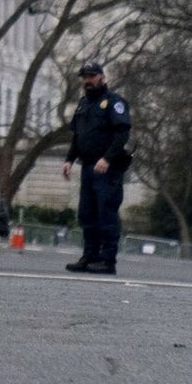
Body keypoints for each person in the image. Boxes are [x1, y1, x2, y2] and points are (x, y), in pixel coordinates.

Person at [62, 60, 132, 275]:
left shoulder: (113, 102)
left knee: (106, 214)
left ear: (102, 77)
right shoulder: (84, 104)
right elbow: (78, 136)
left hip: (107, 169)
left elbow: (122, 133)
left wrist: (108, 158)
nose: (87, 80)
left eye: (91, 76)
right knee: (87, 214)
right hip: (88, 167)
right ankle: (90, 256)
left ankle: (107, 260)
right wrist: (69, 159)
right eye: (85, 77)